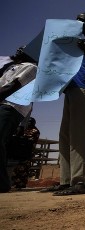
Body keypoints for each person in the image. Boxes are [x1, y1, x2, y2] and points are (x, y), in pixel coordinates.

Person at [42, 13, 85, 196]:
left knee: (80, 134)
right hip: (70, 90)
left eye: (81, 20)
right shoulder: (71, 45)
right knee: (65, 135)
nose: (77, 22)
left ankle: (81, 181)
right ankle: (66, 181)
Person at [0, 46, 37, 193]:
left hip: (11, 106)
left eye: (25, 48)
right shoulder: (12, 67)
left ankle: (2, 183)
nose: (20, 48)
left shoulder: (31, 67)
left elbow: (13, 86)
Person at [11, 117, 40, 189]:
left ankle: (21, 184)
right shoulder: (22, 129)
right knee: (16, 169)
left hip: (27, 152)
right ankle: (15, 183)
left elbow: (31, 141)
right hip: (19, 151)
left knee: (24, 169)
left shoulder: (35, 131)